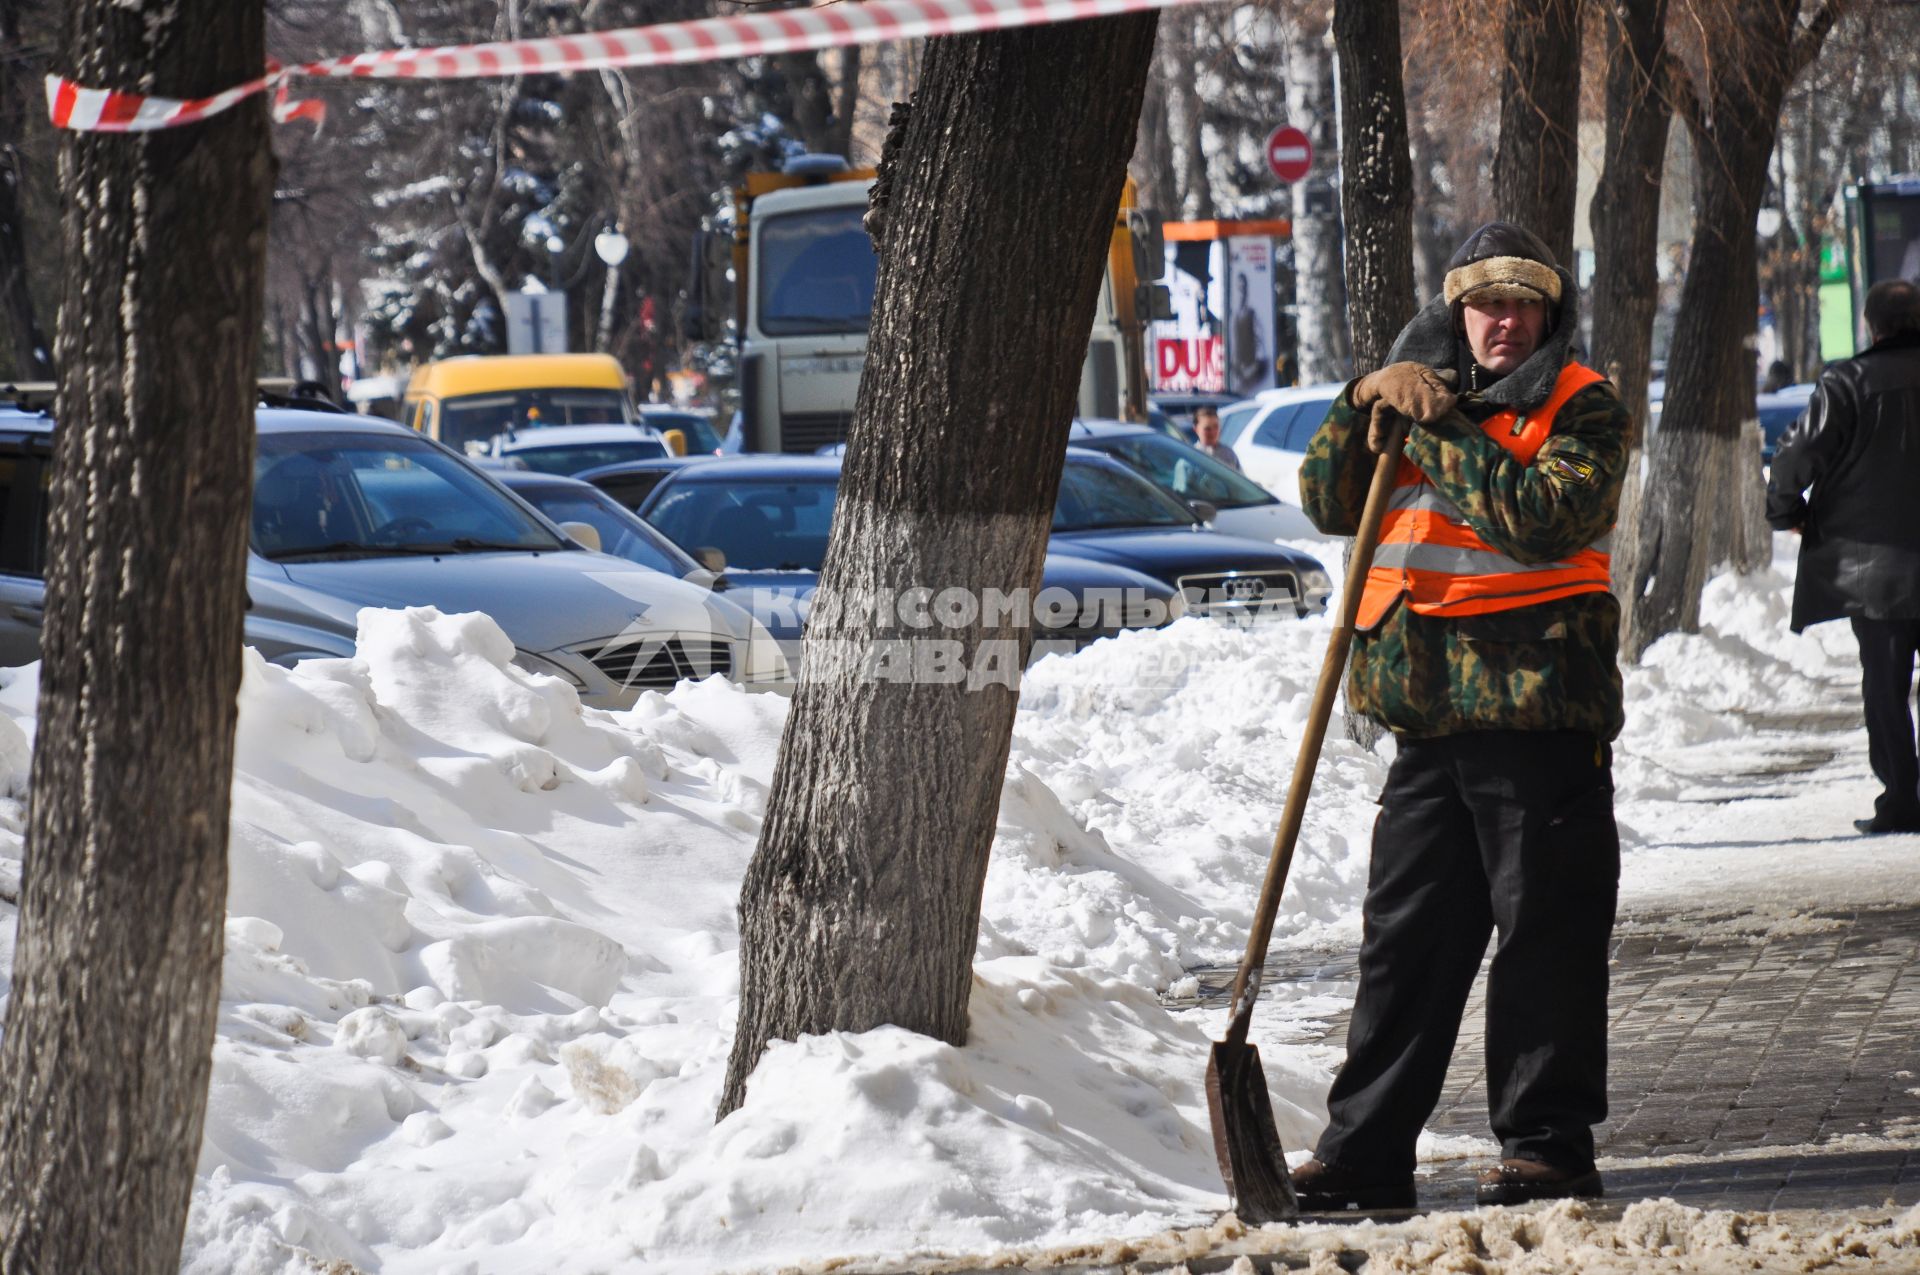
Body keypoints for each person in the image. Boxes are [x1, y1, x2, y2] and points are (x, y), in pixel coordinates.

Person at [1293, 222, 1631, 1211]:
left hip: (1537, 722)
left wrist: (1437, 426)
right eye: (1486, 304)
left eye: (1524, 304)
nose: (1505, 321)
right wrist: (1362, 397)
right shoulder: (1408, 400)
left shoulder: (1582, 407)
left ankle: (1547, 1145)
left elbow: (1536, 520)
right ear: (1456, 313)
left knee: (1545, 945)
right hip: (1428, 729)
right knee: (1405, 947)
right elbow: (1325, 499)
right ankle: (1365, 1153)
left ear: (1549, 317)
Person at [1766, 279, 1920, 835]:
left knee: (1885, 685)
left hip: (1874, 573)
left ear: (1871, 327)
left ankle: (1903, 797)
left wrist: (1787, 511)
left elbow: (1797, 456)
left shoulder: (1848, 382)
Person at [1192, 406, 1241, 471]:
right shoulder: (1191, 458)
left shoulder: (1229, 454)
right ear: (1196, 429)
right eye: (1207, 429)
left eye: (1216, 427)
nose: (1212, 432)